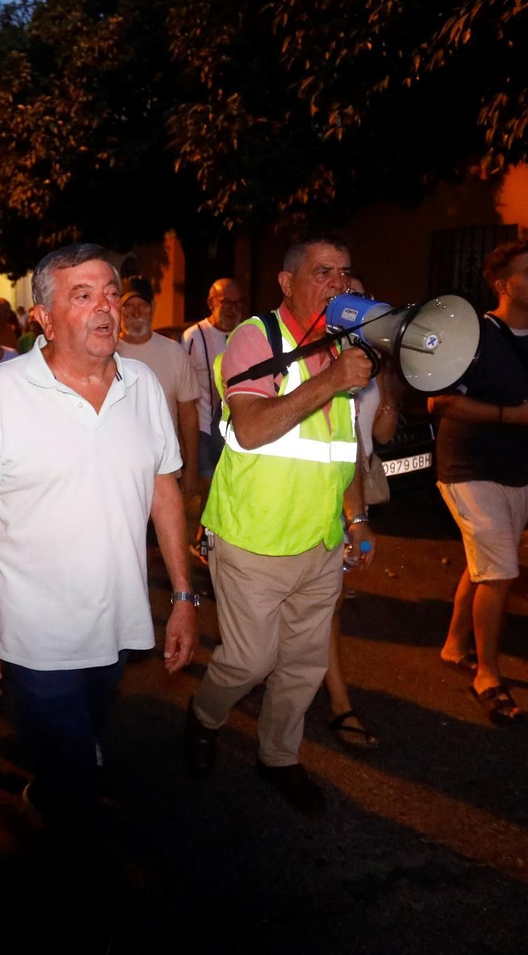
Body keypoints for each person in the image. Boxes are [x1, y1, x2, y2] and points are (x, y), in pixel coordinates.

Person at [0, 243, 198, 847]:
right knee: (75, 778)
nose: (105, 308)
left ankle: (60, 783)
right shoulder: (2, 392)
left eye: (110, 292)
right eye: (82, 296)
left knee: (88, 729)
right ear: (43, 317)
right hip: (38, 635)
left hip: (118, 622)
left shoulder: (141, 385)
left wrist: (186, 596)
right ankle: (81, 883)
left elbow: (164, 492)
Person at [184, 234, 373, 817]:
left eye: (344, 272)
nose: (337, 283)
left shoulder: (340, 347)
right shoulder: (255, 338)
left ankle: (279, 756)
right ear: (288, 282)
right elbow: (251, 428)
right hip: (253, 538)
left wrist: (357, 518)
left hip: (319, 541)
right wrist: (334, 380)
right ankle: (204, 717)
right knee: (248, 661)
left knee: (303, 664)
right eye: (323, 272)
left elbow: (346, 449)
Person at [432, 235, 528, 723]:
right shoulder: (475, 335)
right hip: (467, 467)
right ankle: (487, 672)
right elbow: (441, 402)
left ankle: (453, 645)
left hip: (518, 469)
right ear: (502, 284)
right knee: (503, 569)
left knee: (486, 564)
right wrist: (513, 416)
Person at [320, 274, 398, 749]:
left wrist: (386, 388)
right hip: (322, 486)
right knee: (326, 602)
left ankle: (287, 674)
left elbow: (382, 436)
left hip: (355, 487)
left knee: (329, 600)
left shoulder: (373, 353)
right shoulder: (315, 351)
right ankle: (339, 701)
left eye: (363, 295)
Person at [116, 278, 199, 494]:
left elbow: (188, 414)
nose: (136, 313)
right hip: (117, 473)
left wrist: (191, 469)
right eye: (128, 306)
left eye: (142, 305)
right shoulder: (106, 353)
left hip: (165, 471)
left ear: (152, 308)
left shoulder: (174, 352)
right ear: (118, 310)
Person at [181, 278, 246, 488]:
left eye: (237, 304)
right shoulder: (194, 337)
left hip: (237, 428)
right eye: (226, 303)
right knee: (208, 493)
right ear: (211, 303)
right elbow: (183, 389)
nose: (232, 309)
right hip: (204, 430)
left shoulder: (246, 334)